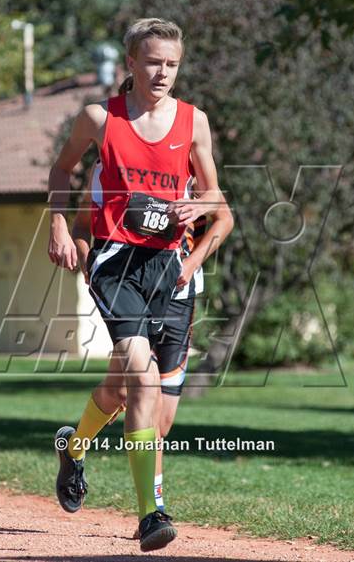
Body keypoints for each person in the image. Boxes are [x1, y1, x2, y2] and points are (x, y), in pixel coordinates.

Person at [48, 17, 224, 552]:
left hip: (167, 266)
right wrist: (59, 222)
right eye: (153, 62)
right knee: (142, 380)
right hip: (115, 261)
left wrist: (202, 204)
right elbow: (62, 171)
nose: (163, 72)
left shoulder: (194, 122)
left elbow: (216, 197)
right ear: (131, 63)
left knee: (125, 392)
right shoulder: (100, 118)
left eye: (171, 64)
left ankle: (73, 446)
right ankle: (151, 515)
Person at [71, 159, 233, 525]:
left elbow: (225, 219)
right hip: (132, 289)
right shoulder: (113, 167)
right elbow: (84, 221)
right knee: (139, 395)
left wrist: (191, 264)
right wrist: (86, 259)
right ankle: (153, 510)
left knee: (151, 411)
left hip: (179, 297)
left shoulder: (191, 171)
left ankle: (73, 447)